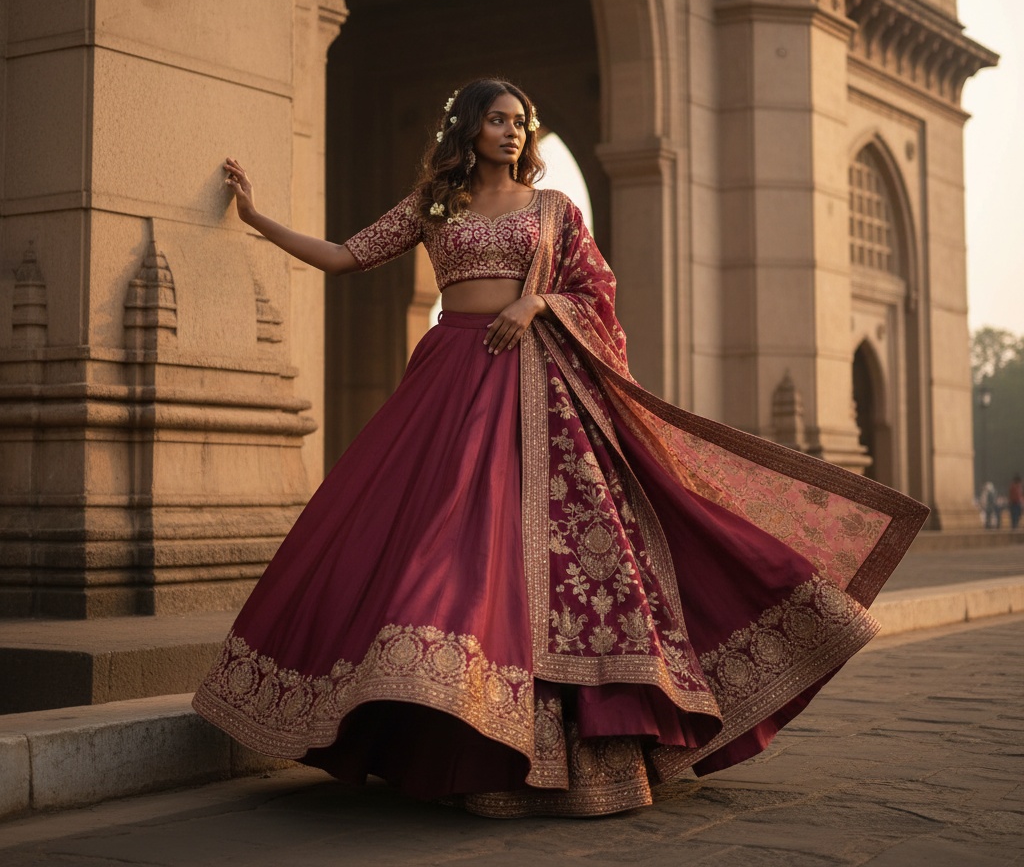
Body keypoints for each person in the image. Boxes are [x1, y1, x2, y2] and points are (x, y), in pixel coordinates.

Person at [193, 78, 929, 818]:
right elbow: (346, 256)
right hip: (447, 384)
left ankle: (561, 749)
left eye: (520, 121)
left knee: (541, 558)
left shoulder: (553, 211)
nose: (511, 132)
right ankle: (445, 729)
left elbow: (597, 292)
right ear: (468, 128)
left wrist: (537, 299)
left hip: (538, 386)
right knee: (432, 547)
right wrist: (257, 217)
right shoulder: (433, 206)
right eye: (496, 119)